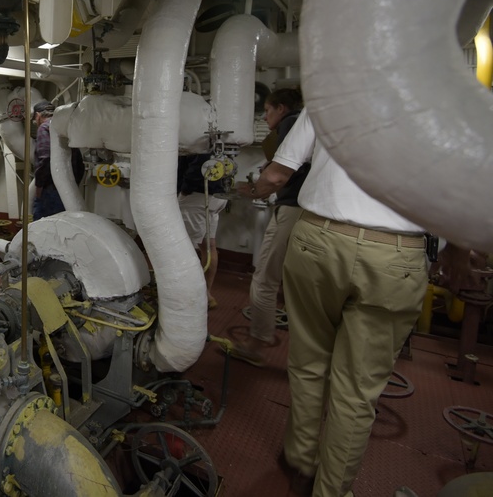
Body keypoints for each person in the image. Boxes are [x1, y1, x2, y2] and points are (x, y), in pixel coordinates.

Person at [239, 109, 429, 497]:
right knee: (357, 389)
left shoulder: (331, 97)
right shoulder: (446, 104)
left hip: (319, 241)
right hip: (394, 256)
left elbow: (278, 174)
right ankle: (330, 490)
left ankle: (301, 460)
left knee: (308, 360)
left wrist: (252, 191)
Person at [232, 87, 309, 367]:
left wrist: (250, 189)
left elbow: (276, 179)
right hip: (313, 214)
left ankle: (256, 343)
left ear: (281, 108)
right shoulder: (308, 124)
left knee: (264, 278)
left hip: (292, 210)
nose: (265, 117)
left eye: (267, 110)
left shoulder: (292, 123)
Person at [177, 153, 229, 308]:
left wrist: (185, 189)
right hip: (218, 194)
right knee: (209, 246)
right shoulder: (221, 137)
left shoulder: (197, 136)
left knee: (185, 246)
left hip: (197, 195)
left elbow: (198, 164)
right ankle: (206, 294)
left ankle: (185, 296)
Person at [32, 100, 84, 220]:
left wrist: (39, 185)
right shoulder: (65, 129)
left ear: (38, 116)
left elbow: (45, 159)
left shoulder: (44, 128)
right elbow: (80, 163)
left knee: (43, 227)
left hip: (50, 189)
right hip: (67, 190)